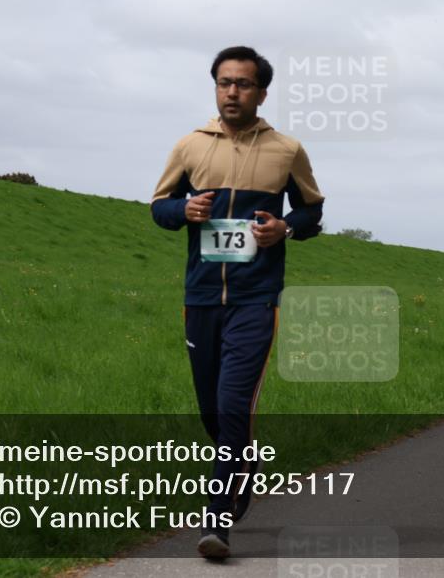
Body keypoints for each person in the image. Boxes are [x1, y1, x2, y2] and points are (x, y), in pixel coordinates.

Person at [151, 46, 324, 559]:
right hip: (200, 298)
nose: (232, 91)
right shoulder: (189, 146)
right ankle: (240, 466)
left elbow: (312, 210)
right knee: (213, 411)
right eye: (224, 83)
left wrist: (285, 227)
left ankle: (217, 520)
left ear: (261, 92)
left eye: (243, 84)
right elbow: (158, 208)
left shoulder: (286, 150)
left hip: (256, 300)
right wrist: (185, 208)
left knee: (232, 404)